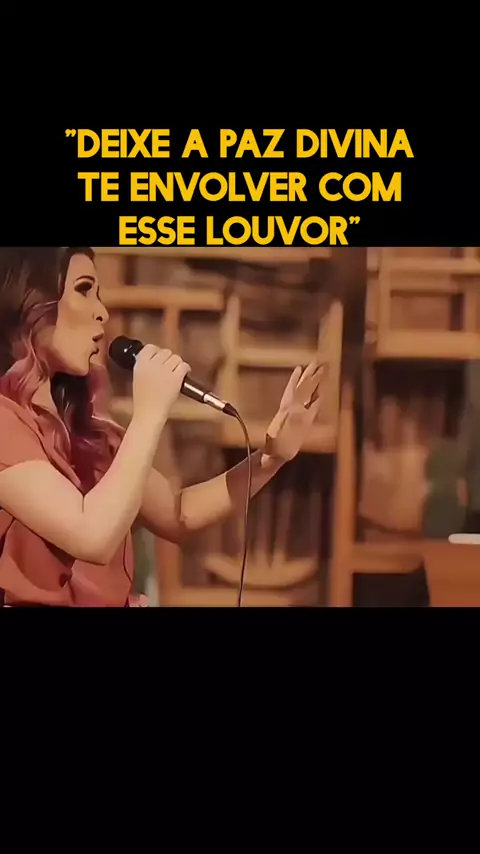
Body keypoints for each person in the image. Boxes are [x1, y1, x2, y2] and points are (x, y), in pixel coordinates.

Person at [0, 247, 324, 607]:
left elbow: (179, 513)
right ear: (29, 301)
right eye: (84, 289)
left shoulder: (87, 430)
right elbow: (92, 536)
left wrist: (270, 457)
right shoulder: (5, 423)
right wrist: (150, 412)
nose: (102, 311)